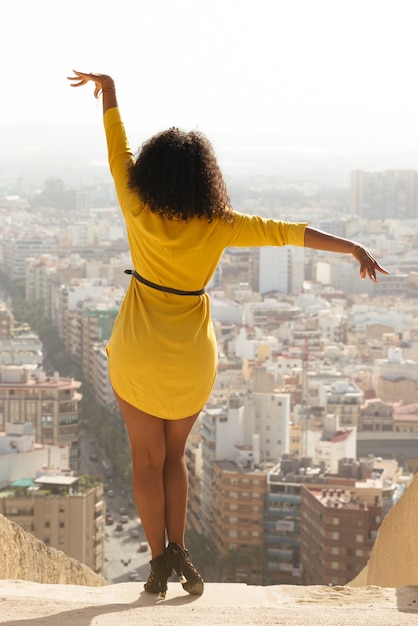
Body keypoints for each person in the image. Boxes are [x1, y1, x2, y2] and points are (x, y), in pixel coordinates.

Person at [67, 70, 389, 599]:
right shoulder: (220, 223)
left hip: (136, 352)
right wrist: (351, 247)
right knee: (175, 459)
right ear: (204, 178)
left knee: (144, 461)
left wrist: (111, 92)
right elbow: (291, 232)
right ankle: (182, 550)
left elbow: (116, 149)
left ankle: (157, 565)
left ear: (153, 173)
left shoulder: (135, 205)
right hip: (192, 357)